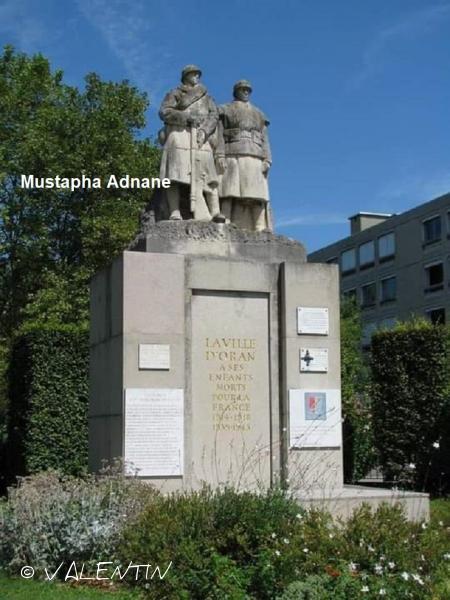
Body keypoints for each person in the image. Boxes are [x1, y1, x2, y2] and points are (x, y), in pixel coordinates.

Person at [159, 65, 225, 222]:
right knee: (174, 174)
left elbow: (214, 115)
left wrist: (204, 131)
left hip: (201, 136)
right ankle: (174, 211)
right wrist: (186, 117)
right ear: (185, 76)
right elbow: (164, 112)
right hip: (179, 133)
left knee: (208, 174)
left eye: (197, 74)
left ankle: (215, 212)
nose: (196, 76)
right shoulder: (175, 93)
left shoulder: (207, 97)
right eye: (193, 74)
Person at [218, 80, 272, 232]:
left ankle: (260, 226)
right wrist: (220, 155)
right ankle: (225, 220)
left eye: (248, 90)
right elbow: (219, 135)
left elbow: (265, 139)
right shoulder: (225, 109)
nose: (246, 92)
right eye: (243, 89)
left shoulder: (259, 114)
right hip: (232, 153)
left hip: (255, 154)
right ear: (236, 91)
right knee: (229, 190)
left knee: (258, 194)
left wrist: (267, 159)